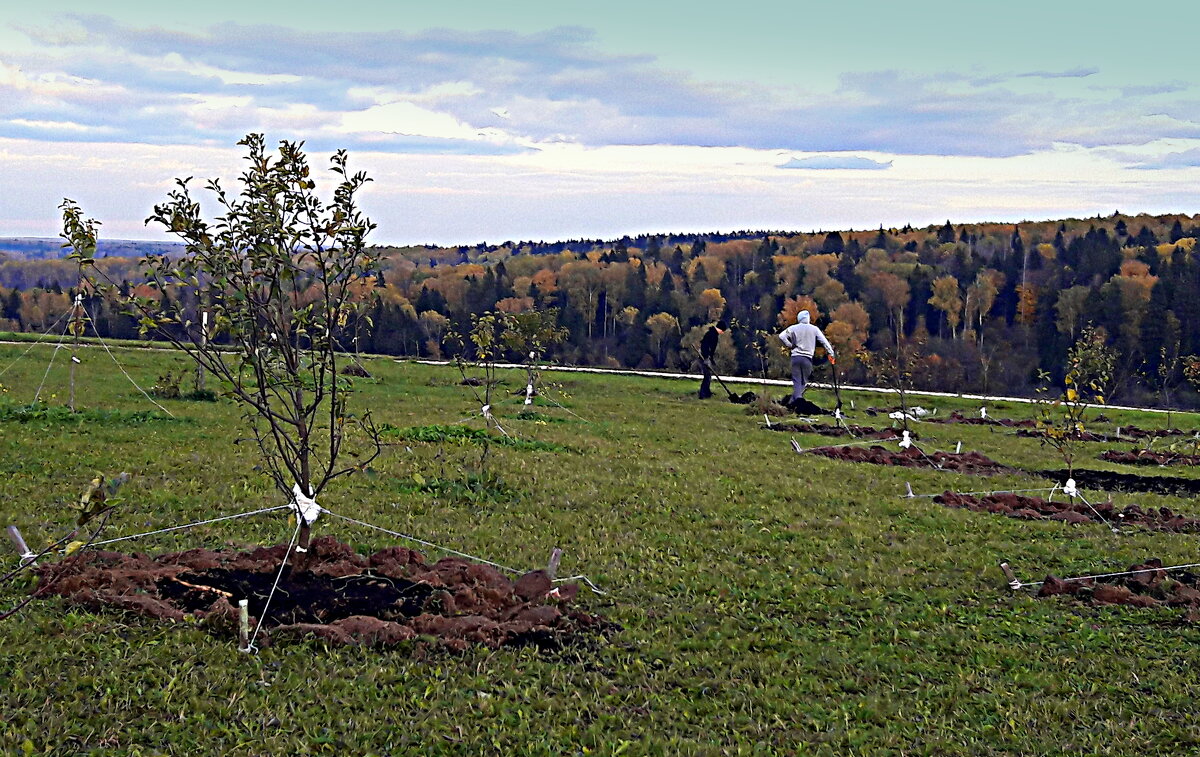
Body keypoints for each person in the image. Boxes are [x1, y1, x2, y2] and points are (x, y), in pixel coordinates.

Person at [777, 310, 834, 406]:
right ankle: (797, 402)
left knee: (797, 381)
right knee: (803, 381)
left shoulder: (793, 328)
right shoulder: (814, 329)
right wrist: (831, 353)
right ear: (808, 319)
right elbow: (824, 342)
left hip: (795, 357)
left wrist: (790, 345)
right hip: (807, 358)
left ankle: (793, 403)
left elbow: (782, 336)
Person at [698, 319, 728, 399]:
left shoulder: (713, 334)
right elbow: (705, 347)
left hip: (707, 358)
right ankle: (703, 394)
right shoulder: (711, 335)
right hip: (704, 357)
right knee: (707, 376)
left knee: (708, 376)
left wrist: (711, 359)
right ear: (721, 329)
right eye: (723, 331)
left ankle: (706, 393)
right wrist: (707, 358)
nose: (723, 333)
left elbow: (711, 350)